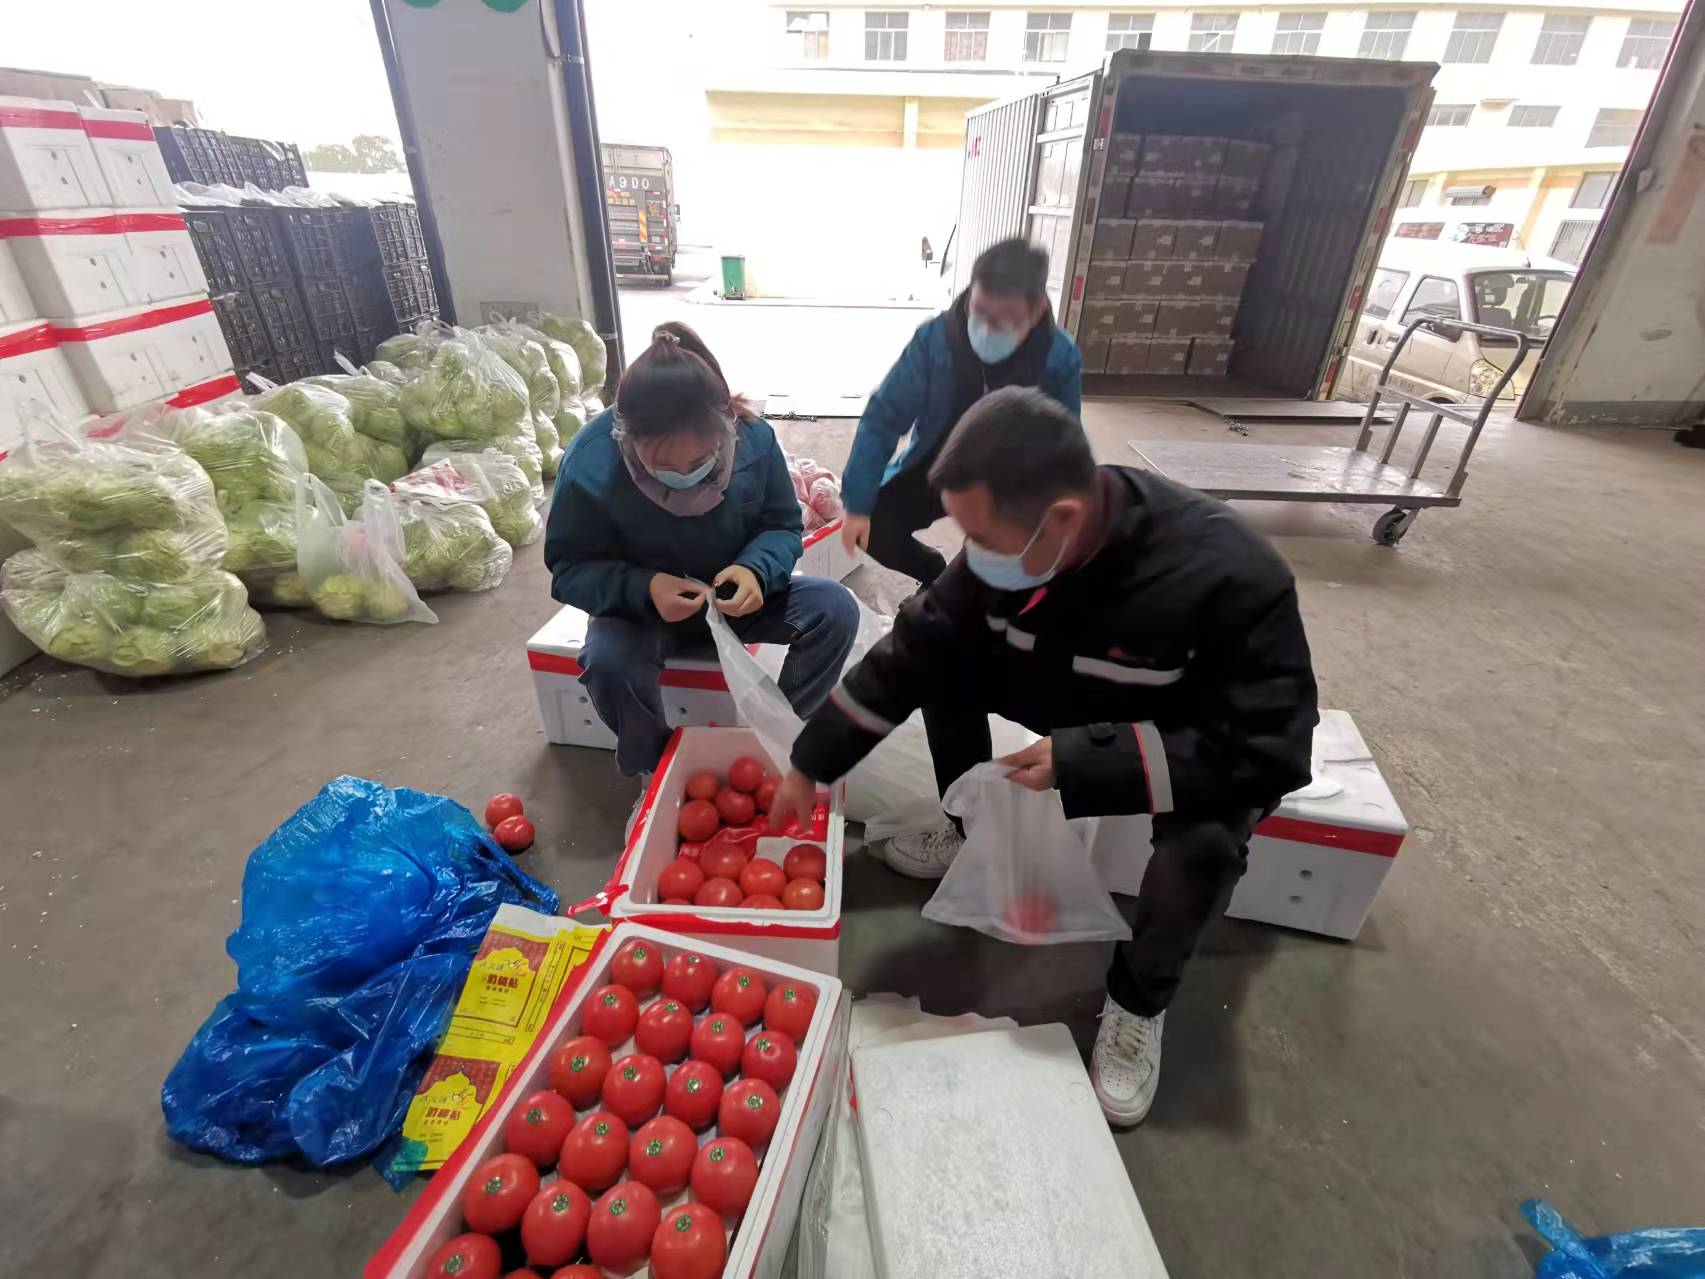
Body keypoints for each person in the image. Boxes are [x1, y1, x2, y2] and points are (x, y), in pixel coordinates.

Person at [771, 387, 1318, 1127]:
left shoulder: (1231, 576)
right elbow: (917, 646)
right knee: (944, 669)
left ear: (1061, 519)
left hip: (1175, 733)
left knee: (1208, 843)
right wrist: (811, 761)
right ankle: (970, 835)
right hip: (1070, 687)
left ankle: (1137, 1002)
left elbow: (1269, 749)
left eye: (982, 540)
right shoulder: (1012, 549)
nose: (971, 558)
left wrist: (1087, 759)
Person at [545, 321, 860, 782]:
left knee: (835, 610)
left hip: (737, 601)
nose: (682, 476)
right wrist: (644, 588)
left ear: (725, 427)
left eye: (700, 463)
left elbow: (781, 525)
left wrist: (755, 570)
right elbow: (569, 568)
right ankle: (657, 768)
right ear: (626, 439)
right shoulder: (590, 463)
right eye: (660, 465)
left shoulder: (754, 440)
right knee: (609, 664)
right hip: (641, 615)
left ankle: (781, 738)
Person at [840, 237, 1082, 587]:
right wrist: (857, 503)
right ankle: (934, 576)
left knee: (1014, 561)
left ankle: (958, 592)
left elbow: (1064, 447)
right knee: (872, 525)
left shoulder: (1058, 358)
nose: (986, 328)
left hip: (1009, 477)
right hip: (939, 460)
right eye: (979, 311)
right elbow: (884, 417)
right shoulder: (935, 341)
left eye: (1004, 320)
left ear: (1038, 309)